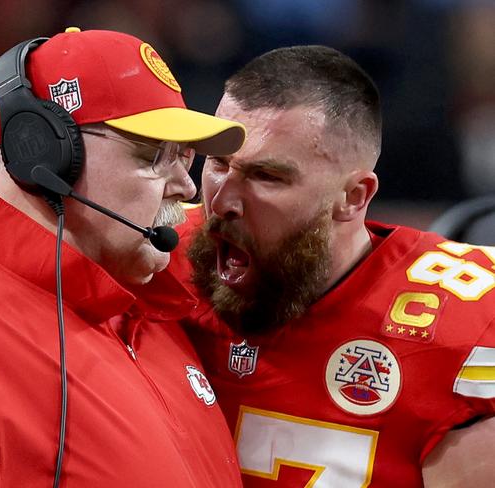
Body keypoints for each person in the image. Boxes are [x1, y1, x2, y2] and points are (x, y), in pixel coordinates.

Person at [0, 28, 246, 487]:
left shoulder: (142, 309)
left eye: (184, 156)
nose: (187, 186)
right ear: (44, 156)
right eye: (154, 155)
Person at [170, 45, 495, 487]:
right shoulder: (150, 257)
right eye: (219, 163)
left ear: (354, 196)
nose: (221, 201)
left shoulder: (464, 326)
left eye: (267, 177)